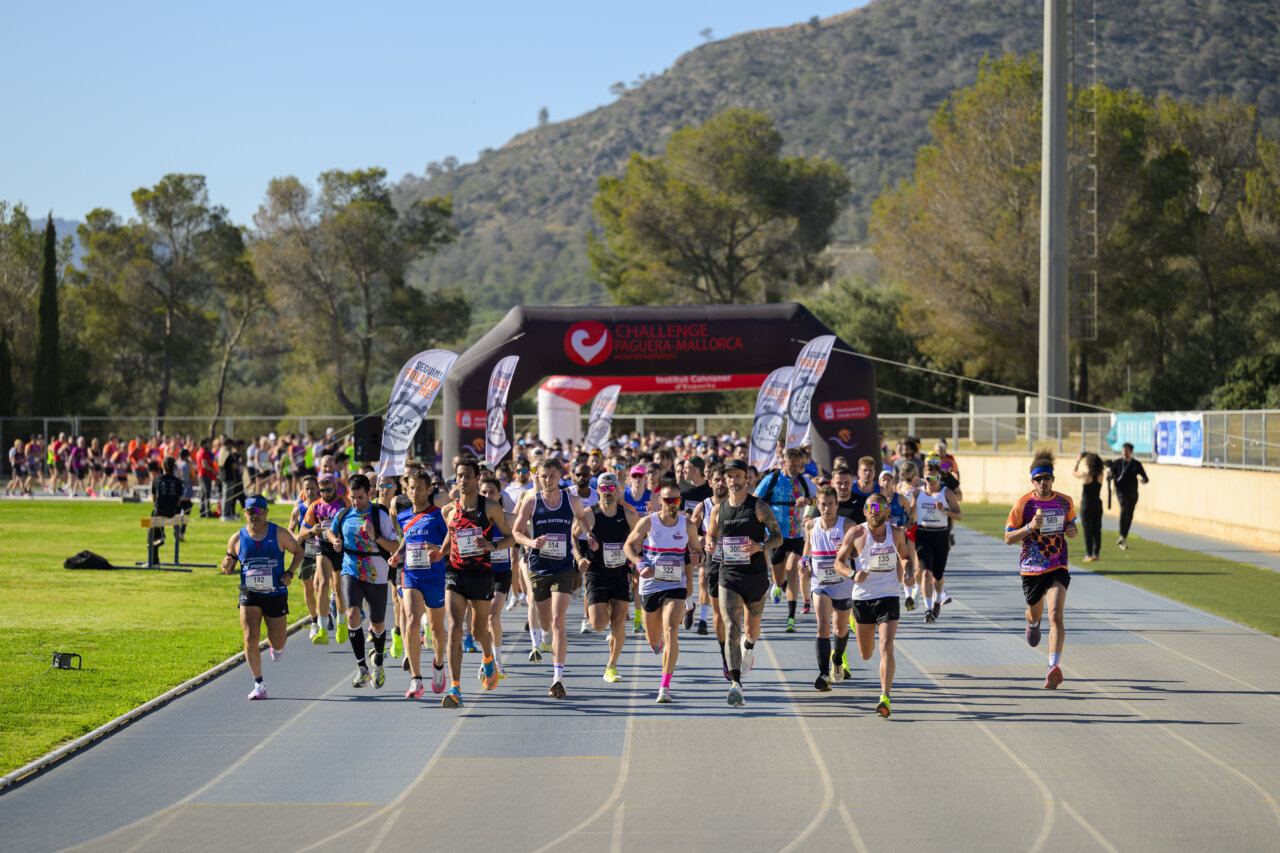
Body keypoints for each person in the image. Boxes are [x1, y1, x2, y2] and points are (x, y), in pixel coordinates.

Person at [511, 456, 595, 699]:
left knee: (558, 620)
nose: (548, 480)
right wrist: (530, 542)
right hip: (539, 569)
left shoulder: (572, 500)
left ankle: (558, 677)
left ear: (560, 477)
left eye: (552, 476)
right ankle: (545, 634)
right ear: (537, 477)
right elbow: (516, 531)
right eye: (544, 476)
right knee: (546, 622)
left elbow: (582, 518)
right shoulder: (531, 501)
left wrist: (588, 534)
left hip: (563, 568)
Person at [706, 459, 784, 707]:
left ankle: (748, 646)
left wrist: (760, 546)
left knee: (751, 632)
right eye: (730, 476)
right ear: (725, 479)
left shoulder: (758, 507)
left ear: (746, 479)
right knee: (731, 627)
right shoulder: (718, 510)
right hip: (728, 575)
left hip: (756, 576)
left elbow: (778, 537)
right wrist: (709, 544)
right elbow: (710, 535)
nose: (734, 480)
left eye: (738, 476)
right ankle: (736, 684)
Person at [440, 457, 515, 708]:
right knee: (454, 629)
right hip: (455, 573)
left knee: (478, 632)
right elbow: (451, 536)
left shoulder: (490, 507)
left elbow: (510, 538)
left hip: (481, 575)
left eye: (468, 476)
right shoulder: (448, 510)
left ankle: (488, 658)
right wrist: (439, 552)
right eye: (460, 476)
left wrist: (491, 545)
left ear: (476, 478)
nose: (463, 480)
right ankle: (455, 688)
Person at [836, 491, 914, 717]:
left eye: (879, 508)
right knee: (866, 654)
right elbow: (839, 562)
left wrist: (908, 570)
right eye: (871, 508)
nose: (875, 512)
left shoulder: (896, 533)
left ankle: (884, 697)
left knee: (886, 645)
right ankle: (854, 622)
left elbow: (905, 556)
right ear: (865, 511)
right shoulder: (856, 533)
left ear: (887, 511)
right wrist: (853, 574)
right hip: (863, 598)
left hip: (889, 596)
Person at [624, 479, 703, 703]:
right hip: (650, 584)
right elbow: (628, 546)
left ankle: (664, 686)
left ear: (680, 501)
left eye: (675, 500)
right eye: (667, 500)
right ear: (660, 501)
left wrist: (698, 557)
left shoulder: (687, 526)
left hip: (675, 585)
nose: (672, 504)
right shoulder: (648, 522)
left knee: (671, 630)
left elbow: (697, 551)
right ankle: (655, 641)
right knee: (654, 636)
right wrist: (640, 563)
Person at [1004, 450, 1078, 689]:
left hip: (1057, 564)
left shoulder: (1065, 502)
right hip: (1032, 568)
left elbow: (1071, 525)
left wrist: (1072, 531)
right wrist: (1028, 527)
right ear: (1032, 481)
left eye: (1047, 477)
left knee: (1055, 614)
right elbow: (1008, 538)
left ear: (1053, 479)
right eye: (1038, 479)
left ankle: (1052, 668)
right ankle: (1033, 624)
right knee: (1035, 614)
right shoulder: (1023, 504)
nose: (1043, 482)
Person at [220, 495, 304, 700]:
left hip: (275, 593)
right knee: (250, 638)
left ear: (266, 512)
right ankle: (258, 684)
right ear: (245, 513)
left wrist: (290, 573)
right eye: (250, 511)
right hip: (250, 594)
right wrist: (227, 567)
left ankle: (277, 645)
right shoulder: (237, 539)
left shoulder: (280, 534)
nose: (254, 515)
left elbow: (299, 552)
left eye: (258, 511)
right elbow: (228, 566)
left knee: (277, 641)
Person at [326, 474, 401, 690]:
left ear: (369, 493)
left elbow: (395, 547)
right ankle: (361, 667)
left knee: (377, 624)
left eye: (360, 497)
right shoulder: (344, 514)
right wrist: (335, 541)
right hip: (351, 569)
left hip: (376, 573)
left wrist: (374, 536)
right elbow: (330, 531)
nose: (356, 502)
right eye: (353, 497)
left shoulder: (379, 515)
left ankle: (378, 661)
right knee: (352, 614)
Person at [393, 469, 449, 699]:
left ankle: (439, 663)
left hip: (435, 577)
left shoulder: (439, 516)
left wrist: (438, 550)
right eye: (411, 488)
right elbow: (406, 539)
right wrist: (397, 554)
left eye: (419, 488)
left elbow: (451, 542)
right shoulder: (403, 516)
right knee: (411, 622)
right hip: (411, 575)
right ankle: (416, 679)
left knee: (436, 628)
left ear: (429, 490)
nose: (414, 492)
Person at [579, 472, 639, 684]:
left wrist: (636, 559)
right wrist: (579, 558)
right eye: (603, 489)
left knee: (619, 621)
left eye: (611, 488)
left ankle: (611, 666)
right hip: (597, 574)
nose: (607, 492)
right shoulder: (590, 514)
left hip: (621, 573)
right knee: (598, 624)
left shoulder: (628, 514)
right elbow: (573, 536)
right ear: (598, 491)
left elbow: (640, 537)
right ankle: (607, 619)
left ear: (618, 490)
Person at [755, 447, 815, 630]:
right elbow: (755, 499)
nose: (796, 469)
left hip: (797, 534)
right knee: (779, 577)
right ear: (783, 463)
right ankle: (778, 584)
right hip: (776, 535)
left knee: (793, 570)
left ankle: (791, 617)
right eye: (792, 465)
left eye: (799, 465)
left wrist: (808, 501)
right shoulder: (772, 479)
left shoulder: (804, 482)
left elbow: (819, 497)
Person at [800, 486, 854, 692]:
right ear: (818, 504)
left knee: (840, 629)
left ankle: (837, 659)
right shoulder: (811, 525)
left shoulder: (848, 525)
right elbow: (808, 545)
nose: (827, 508)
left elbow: (859, 551)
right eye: (823, 504)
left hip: (843, 585)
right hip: (820, 583)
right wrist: (804, 560)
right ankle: (823, 674)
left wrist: (848, 551)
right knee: (823, 625)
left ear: (837, 504)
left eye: (831, 504)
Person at [690, 461, 730, 677]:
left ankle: (739, 645)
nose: (721, 483)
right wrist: (699, 540)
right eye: (717, 480)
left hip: (737, 563)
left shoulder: (738, 504)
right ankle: (725, 653)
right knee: (719, 613)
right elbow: (690, 533)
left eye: (724, 479)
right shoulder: (703, 506)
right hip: (714, 562)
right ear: (710, 482)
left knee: (735, 610)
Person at [302, 474, 349, 644]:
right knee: (322, 585)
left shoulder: (344, 503)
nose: (325, 493)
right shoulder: (315, 506)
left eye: (328, 489)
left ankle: (342, 623)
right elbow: (302, 532)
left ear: (335, 487)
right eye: (322, 490)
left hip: (341, 547)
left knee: (338, 588)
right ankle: (322, 629)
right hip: (323, 547)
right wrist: (311, 531)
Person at [914, 459, 961, 623]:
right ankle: (928, 610)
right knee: (926, 573)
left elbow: (959, 515)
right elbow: (910, 511)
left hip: (941, 536)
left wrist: (945, 510)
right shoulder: (918, 493)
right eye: (928, 478)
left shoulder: (946, 493)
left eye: (935, 478)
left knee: (938, 576)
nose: (932, 481)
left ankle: (937, 600)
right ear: (923, 477)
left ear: (940, 478)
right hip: (923, 535)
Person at [678, 456, 713, 632]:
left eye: (687, 467)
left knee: (702, 578)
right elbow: (673, 511)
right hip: (684, 538)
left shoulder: (710, 490)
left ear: (697, 470)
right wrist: (681, 515)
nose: (683, 470)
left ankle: (703, 621)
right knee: (684, 579)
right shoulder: (681, 488)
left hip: (704, 539)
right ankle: (689, 605)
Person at [288, 476, 323, 639]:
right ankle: (314, 620)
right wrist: (297, 537)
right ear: (302, 491)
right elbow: (289, 530)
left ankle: (324, 615)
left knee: (318, 585)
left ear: (318, 489)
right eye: (306, 488)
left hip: (322, 551)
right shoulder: (298, 509)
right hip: (305, 553)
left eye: (312, 488)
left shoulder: (323, 506)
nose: (310, 491)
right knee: (308, 589)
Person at [1107, 443, 1148, 550]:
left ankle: (1123, 537)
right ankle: (1121, 535)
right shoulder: (1117, 463)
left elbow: (1145, 477)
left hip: (1133, 492)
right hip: (1121, 491)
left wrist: (1144, 480)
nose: (1124, 453)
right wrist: (1110, 474)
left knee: (1130, 515)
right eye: (1123, 451)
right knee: (1124, 509)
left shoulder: (1136, 464)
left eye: (1126, 451)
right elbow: (1110, 475)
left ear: (1131, 452)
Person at [1072, 452, 1105, 562]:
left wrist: (1078, 460)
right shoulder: (1101, 475)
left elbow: (1074, 472)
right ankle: (1096, 553)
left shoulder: (1085, 475)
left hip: (1086, 504)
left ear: (1088, 463)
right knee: (1097, 529)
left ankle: (1089, 554)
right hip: (1097, 504)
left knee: (1087, 529)